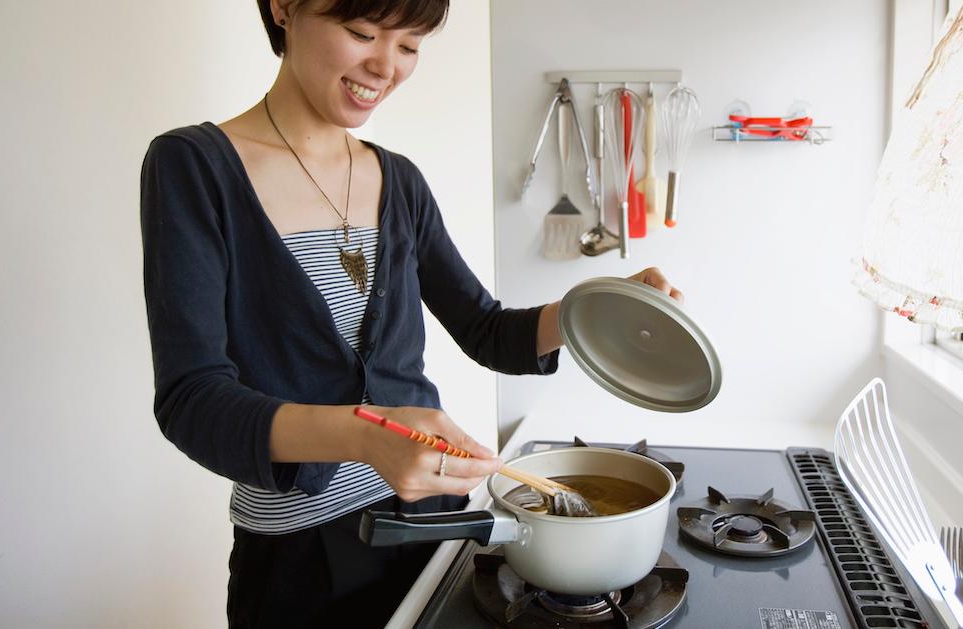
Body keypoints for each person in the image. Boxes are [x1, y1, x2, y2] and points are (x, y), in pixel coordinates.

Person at [139, 0, 683, 626]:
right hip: (298, 559)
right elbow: (192, 399)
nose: (385, 66)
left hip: (430, 531)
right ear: (283, 8)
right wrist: (368, 435)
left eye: (410, 46)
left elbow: (487, 331)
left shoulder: (399, 181)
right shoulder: (194, 166)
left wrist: (596, 308)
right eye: (361, 32)